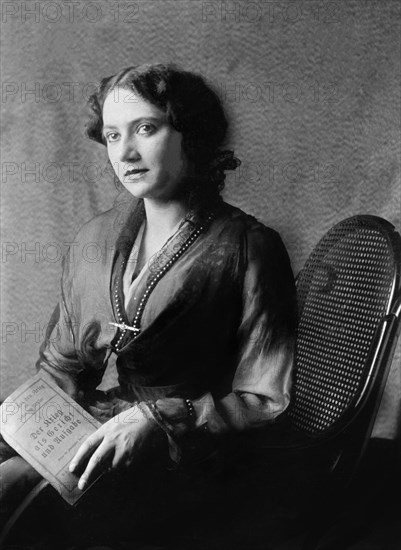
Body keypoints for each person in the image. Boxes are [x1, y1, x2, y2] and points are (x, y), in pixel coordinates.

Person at [0, 63, 297, 548]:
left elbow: (266, 401)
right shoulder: (93, 239)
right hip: (93, 431)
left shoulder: (248, 246)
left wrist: (159, 419)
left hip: (191, 462)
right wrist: (16, 428)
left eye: (146, 128)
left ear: (190, 135)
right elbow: (61, 367)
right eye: (113, 135)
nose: (126, 152)